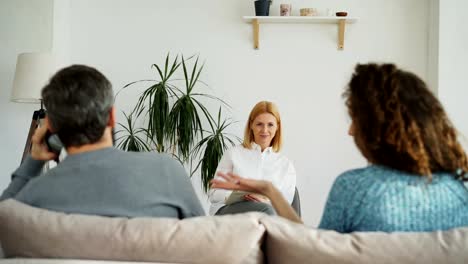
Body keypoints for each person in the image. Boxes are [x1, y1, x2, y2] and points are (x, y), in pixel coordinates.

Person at [212, 63, 468, 232]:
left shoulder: (354, 189)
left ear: (378, 128)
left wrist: (268, 193)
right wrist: (267, 189)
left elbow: (317, 252)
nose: (350, 130)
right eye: (259, 124)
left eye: (355, 119)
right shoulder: (459, 192)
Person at [0, 65, 205, 219]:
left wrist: (33, 161)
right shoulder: (166, 171)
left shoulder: (36, 194)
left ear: (50, 126)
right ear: (111, 117)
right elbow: (205, 241)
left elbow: (5, 223)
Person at [209, 101, 296, 215]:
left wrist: (266, 201)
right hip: (230, 210)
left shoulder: (285, 164)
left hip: (267, 212)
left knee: (267, 210)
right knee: (266, 211)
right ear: (251, 125)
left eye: (270, 125)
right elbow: (214, 193)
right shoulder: (233, 154)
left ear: (277, 127)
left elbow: (286, 203)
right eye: (259, 124)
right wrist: (235, 195)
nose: (264, 130)